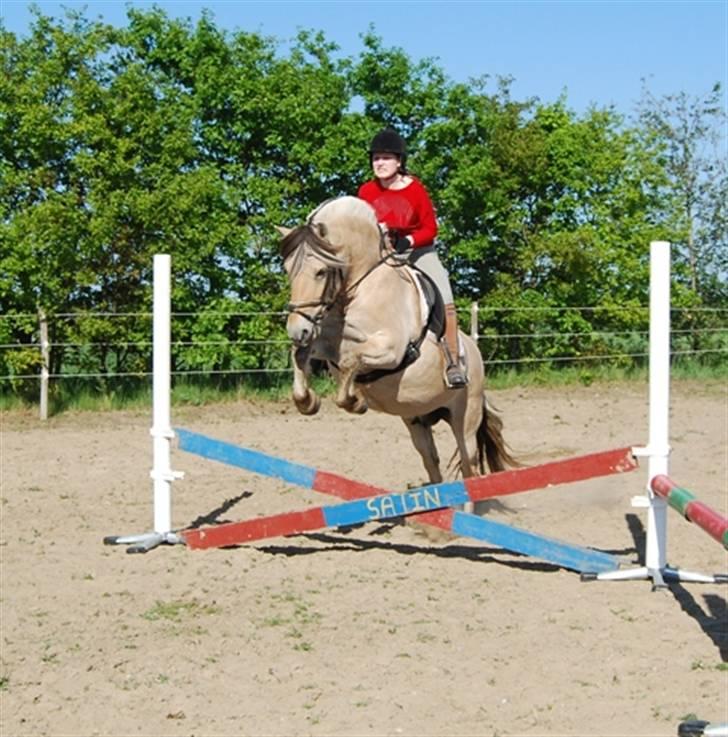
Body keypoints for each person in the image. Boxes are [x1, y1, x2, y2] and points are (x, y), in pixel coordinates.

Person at [357, 127, 467, 388]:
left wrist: (409, 240)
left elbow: (431, 229)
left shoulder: (415, 190)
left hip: (418, 252)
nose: (379, 163)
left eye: (386, 158)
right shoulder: (366, 192)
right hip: (381, 254)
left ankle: (453, 361)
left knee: (444, 293)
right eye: (376, 158)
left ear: (399, 162)